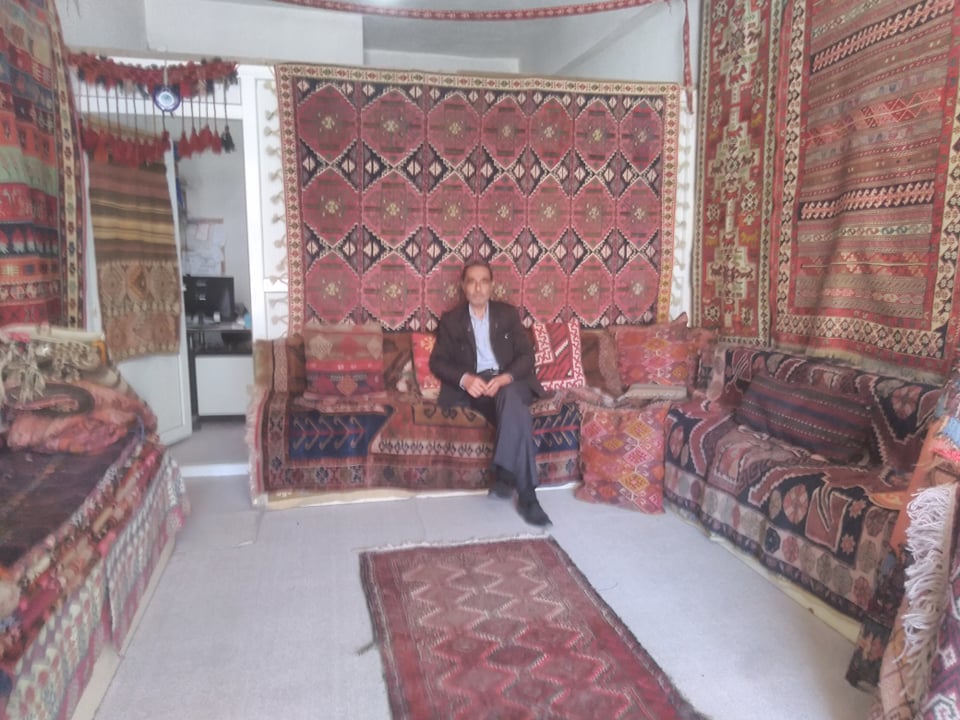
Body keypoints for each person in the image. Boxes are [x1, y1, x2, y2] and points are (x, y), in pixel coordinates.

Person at [429, 260, 552, 526]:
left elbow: (526, 356)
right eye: (472, 282)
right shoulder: (452, 321)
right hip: (479, 389)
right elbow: (437, 362)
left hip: (510, 381)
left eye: (483, 281)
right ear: (463, 286)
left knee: (512, 398)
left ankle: (526, 494)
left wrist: (505, 378)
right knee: (518, 414)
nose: (478, 288)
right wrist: (465, 379)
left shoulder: (507, 314)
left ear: (491, 286)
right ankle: (511, 481)